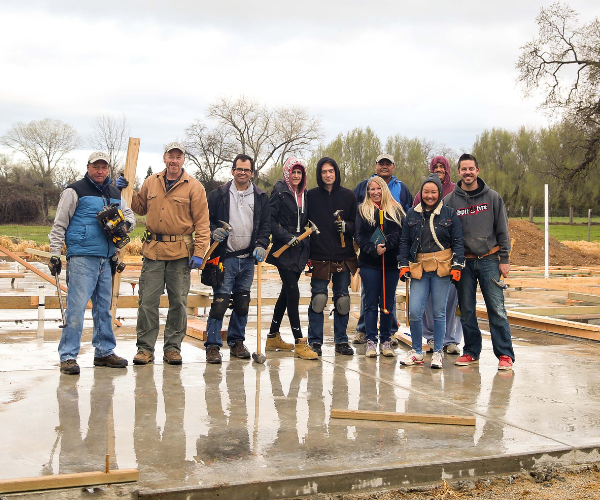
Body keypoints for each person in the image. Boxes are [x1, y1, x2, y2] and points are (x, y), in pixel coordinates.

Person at [119, 142, 210, 366]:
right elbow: (139, 208)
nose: (174, 161)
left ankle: (172, 349)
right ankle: (145, 348)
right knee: (147, 302)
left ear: (183, 160)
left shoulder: (194, 187)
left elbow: (203, 224)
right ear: (164, 158)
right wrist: (126, 190)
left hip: (180, 254)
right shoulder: (152, 182)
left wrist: (199, 252)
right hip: (153, 251)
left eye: (178, 157)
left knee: (178, 302)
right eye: (171, 156)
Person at [49, 151, 135, 375]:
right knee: (76, 309)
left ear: (108, 169)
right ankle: (68, 356)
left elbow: (130, 216)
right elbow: (59, 224)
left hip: (106, 259)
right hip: (82, 258)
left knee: (104, 310)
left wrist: (124, 226)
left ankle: (104, 351)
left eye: (104, 167)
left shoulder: (114, 192)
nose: (100, 171)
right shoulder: (74, 190)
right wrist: (55, 254)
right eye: (96, 167)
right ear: (88, 167)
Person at [443, 154, 515, 370]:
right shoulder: (450, 201)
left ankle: (505, 355)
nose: (468, 172)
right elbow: (446, 233)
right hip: (463, 262)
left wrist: (505, 258)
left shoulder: (492, 198)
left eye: (471, 169)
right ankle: (471, 351)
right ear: (458, 172)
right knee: (466, 310)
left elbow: (502, 229)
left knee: (497, 308)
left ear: (478, 170)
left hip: (489, 260)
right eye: (464, 169)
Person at [203, 154, 271, 364]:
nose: (243, 173)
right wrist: (213, 232)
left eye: (247, 170)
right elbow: (207, 220)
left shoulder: (260, 197)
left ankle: (236, 342)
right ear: (232, 171)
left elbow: (265, 226)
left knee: (242, 303)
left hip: (248, 259)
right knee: (220, 303)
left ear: (252, 173)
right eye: (239, 169)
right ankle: (213, 345)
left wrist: (261, 244)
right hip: (225, 258)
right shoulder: (219, 195)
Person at [398, 173, 464, 369]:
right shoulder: (412, 214)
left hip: (442, 268)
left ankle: (437, 352)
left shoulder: (450, 214)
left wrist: (457, 265)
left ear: (440, 193)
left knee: (439, 312)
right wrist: (403, 264)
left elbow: (458, 241)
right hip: (419, 268)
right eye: (426, 192)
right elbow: (405, 241)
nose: (430, 196)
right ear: (421, 193)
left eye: (434, 192)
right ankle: (418, 351)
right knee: (416, 312)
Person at [352, 154, 412, 344]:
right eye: (381, 164)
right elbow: (358, 233)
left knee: (388, 302)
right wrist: (372, 248)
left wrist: (388, 245)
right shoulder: (362, 196)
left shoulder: (400, 194)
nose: (376, 191)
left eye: (388, 164)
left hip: (391, 261)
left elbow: (404, 227)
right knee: (368, 301)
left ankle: (388, 335)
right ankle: (366, 333)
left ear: (393, 167)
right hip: (370, 261)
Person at [266, 157, 318, 360]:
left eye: (299, 173)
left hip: (300, 248)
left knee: (286, 294)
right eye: (293, 172)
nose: (296, 176)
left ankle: (272, 336)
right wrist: (287, 236)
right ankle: (299, 342)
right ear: (287, 173)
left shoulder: (304, 194)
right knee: (293, 294)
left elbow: (305, 221)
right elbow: (269, 221)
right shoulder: (279, 192)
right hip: (284, 248)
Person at [306, 157, 357, 356]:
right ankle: (315, 341)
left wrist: (347, 226)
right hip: (319, 256)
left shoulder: (348, 196)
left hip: (343, 256)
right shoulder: (311, 196)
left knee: (342, 300)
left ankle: (341, 341)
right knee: (318, 299)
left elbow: (357, 224)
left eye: (331, 171)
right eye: (324, 172)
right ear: (320, 175)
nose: (328, 175)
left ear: (336, 173)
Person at [412, 156, 462, 354]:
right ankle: (431, 337)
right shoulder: (420, 193)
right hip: (424, 258)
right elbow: (413, 220)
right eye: (436, 167)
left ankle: (450, 340)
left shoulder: (455, 191)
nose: (439, 169)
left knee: (449, 302)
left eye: (442, 167)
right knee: (425, 304)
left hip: (447, 257)